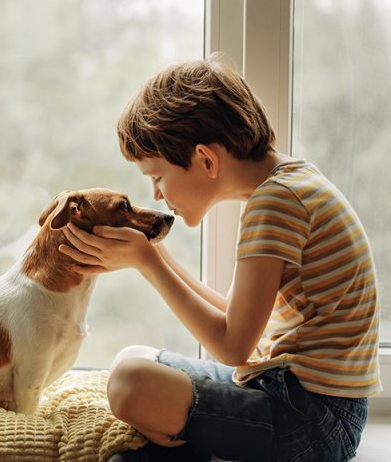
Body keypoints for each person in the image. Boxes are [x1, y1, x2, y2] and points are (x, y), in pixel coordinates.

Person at [58, 54, 381, 462]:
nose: (157, 194)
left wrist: (150, 264)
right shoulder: (288, 184)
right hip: (298, 396)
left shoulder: (277, 204)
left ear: (206, 160)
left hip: (314, 421)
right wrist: (153, 255)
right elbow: (236, 316)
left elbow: (233, 347)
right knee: (131, 360)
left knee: (130, 382)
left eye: (157, 177)